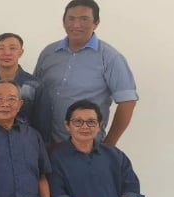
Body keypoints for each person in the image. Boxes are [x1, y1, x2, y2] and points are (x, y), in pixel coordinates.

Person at [34, 0, 138, 146]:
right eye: (71, 19)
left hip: (85, 148)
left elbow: (128, 102)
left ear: (96, 23)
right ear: (63, 22)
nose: (76, 25)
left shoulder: (109, 58)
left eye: (84, 19)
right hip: (46, 145)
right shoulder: (49, 53)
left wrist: (108, 147)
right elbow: (36, 93)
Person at [0, 33, 41, 127]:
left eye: (13, 48)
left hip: (27, 139)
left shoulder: (35, 85)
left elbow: (42, 122)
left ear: (21, 52)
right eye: (1, 48)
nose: (7, 53)